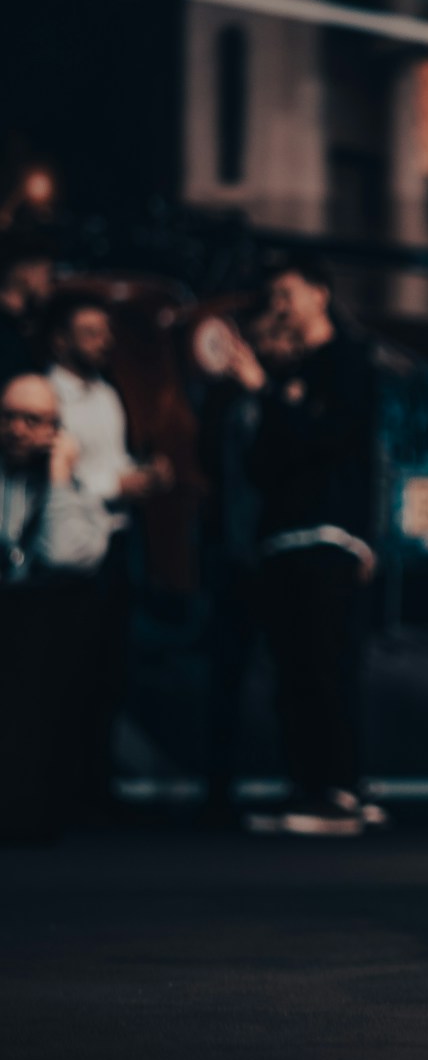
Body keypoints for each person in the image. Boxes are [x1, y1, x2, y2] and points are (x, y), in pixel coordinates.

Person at [228, 259, 381, 837]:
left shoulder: (346, 361)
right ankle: (316, 789)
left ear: (320, 294)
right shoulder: (292, 372)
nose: (280, 304)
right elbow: (264, 464)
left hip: (326, 540)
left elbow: (326, 440)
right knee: (296, 673)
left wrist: (270, 397)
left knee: (323, 670)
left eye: (287, 292)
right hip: (284, 541)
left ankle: (337, 793)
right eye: (273, 295)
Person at [46, 294, 173, 811]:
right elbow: (59, 472)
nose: (105, 341)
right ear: (61, 339)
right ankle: (63, 784)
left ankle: (98, 784)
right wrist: (118, 483)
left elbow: (111, 458)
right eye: (91, 331)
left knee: (110, 669)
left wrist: (145, 474)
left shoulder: (107, 393)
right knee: (67, 671)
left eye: (106, 331)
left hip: (117, 543)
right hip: (69, 544)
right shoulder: (46, 395)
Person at [192, 308, 299, 827]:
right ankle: (218, 791)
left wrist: (265, 394)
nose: (270, 347)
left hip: (279, 547)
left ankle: (302, 786)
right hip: (233, 552)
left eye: (278, 338)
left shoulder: (288, 397)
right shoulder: (223, 397)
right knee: (226, 676)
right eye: (261, 338)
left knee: (295, 676)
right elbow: (209, 459)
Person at [0, 374, 111, 838]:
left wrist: (60, 477)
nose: (18, 429)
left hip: (44, 634)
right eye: (8, 416)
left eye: (33, 420)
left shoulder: (79, 494)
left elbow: (64, 554)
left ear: (55, 429)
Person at [0, 243, 56, 384]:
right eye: (47, 273)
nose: (50, 284)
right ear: (24, 272)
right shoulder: (8, 330)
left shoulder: (27, 325)